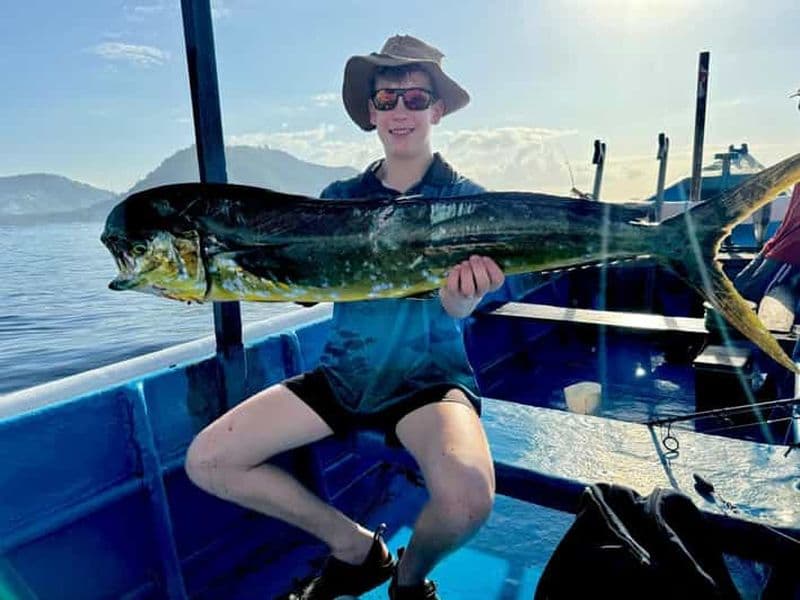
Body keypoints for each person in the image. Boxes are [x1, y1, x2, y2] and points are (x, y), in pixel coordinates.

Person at [184, 34, 505, 600]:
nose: (399, 111)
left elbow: (467, 304)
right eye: (386, 100)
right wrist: (207, 279)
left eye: (413, 98)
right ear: (371, 112)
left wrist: (461, 303)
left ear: (436, 109)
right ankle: (358, 550)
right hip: (343, 376)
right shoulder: (337, 197)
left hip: (428, 384)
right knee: (209, 460)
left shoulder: (471, 202)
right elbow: (295, 279)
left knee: (467, 497)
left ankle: (409, 579)